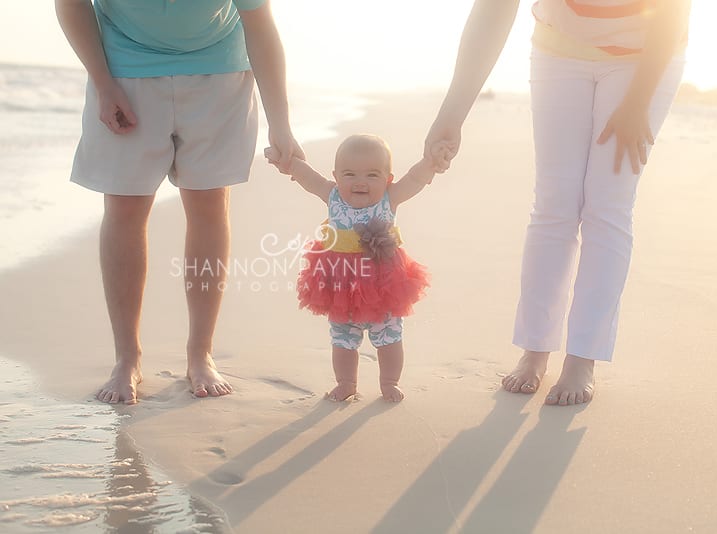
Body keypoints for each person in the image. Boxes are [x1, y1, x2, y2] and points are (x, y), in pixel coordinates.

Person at [425, 0, 692, 406]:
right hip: (560, 48)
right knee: (554, 204)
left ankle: (583, 356)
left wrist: (638, 102)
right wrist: (452, 115)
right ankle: (535, 348)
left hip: (644, 55)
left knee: (607, 204)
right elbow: (494, 10)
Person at [56, 0, 303, 404]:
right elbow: (70, 5)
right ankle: (127, 358)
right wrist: (103, 84)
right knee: (125, 207)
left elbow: (259, 24)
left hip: (218, 72)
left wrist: (281, 123)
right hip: (123, 69)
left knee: (209, 205)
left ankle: (200, 353)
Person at [265, 135, 436, 402]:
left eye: (372, 175)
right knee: (342, 338)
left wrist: (430, 163)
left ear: (388, 179)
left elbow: (414, 179)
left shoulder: (389, 198)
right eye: (350, 174)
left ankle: (390, 382)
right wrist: (289, 163)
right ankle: (346, 383)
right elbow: (309, 178)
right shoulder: (332, 195)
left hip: (383, 286)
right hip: (340, 285)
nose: (360, 182)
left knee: (389, 337)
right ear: (336, 177)